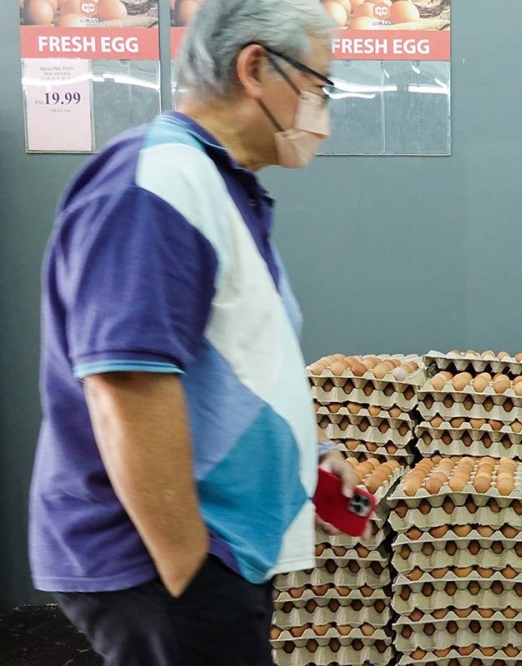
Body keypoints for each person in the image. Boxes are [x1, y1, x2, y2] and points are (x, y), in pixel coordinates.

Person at [28, 1, 358, 664]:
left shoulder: (215, 185)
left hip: (210, 554)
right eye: (319, 84)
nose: (322, 107)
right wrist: (186, 571)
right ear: (256, 67)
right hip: (168, 562)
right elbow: (127, 386)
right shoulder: (157, 182)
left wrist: (306, 454)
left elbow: (228, 362)